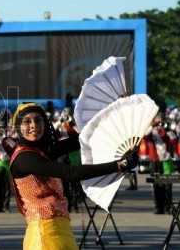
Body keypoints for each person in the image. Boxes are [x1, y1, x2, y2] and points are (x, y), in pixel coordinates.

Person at [9, 103, 139, 250]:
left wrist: (115, 125)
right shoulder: (25, 157)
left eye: (38, 120)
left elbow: (79, 141)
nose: (34, 125)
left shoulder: (40, 151)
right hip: (44, 234)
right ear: (18, 128)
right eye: (27, 121)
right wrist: (118, 165)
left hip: (57, 228)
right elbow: (70, 173)